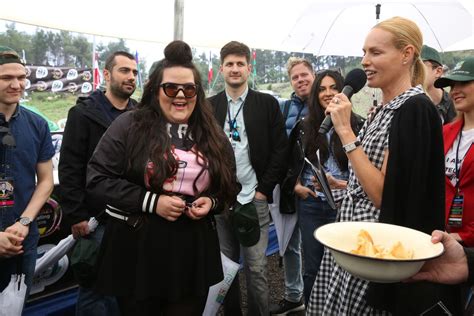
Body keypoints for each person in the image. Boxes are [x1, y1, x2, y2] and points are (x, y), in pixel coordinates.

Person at [307, 17, 462, 315]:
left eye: (376, 53)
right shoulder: (383, 109)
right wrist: (345, 186)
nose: (365, 61)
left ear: (406, 54)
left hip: (377, 253)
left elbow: (386, 195)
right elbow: (372, 178)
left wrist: (346, 133)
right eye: (364, 52)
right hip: (354, 241)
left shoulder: (414, 109)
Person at [86, 40, 240, 315]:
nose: (180, 95)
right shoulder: (130, 125)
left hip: (192, 250)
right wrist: (151, 202)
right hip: (138, 250)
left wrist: (211, 204)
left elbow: (230, 187)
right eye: (171, 87)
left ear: (198, 92)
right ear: (156, 90)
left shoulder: (212, 134)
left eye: (189, 88)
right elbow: (97, 178)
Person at [208, 41, 288, 316]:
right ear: (221, 69)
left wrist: (263, 190)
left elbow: (281, 149)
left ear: (248, 68)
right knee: (226, 268)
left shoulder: (266, 103)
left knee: (256, 268)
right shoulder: (210, 107)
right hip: (221, 202)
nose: (234, 69)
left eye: (240, 63)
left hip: (254, 200)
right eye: (229, 64)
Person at [59, 51, 138, 316]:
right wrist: (77, 214)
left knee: (127, 286)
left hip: (132, 217)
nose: (130, 77)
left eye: (135, 72)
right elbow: (70, 167)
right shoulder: (83, 114)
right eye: (124, 71)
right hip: (97, 219)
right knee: (95, 291)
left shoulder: (140, 115)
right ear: (106, 75)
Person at [282, 70, 365, 308]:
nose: (328, 93)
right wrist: (297, 186)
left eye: (333, 88)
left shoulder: (358, 124)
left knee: (344, 267)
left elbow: (365, 173)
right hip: (311, 204)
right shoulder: (303, 126)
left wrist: (340, 184)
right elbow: (291, 163)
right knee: (313, 267)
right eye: (322, 89)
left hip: (344, 205)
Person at [0, 46, 54, 302]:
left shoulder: (38, 125)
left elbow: (45, 181)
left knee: (14, 306)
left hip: (23, 240)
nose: (16, 84)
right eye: (6, 78)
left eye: (21, 78)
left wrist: (24, 222)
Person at [270, 57, 314, 315]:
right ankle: (293, 295)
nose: (300, 80)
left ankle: (316, 297)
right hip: (287, 185)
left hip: (313, 186)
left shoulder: (324, 106)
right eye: (295, 77)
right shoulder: (284, 109)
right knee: (288, 244)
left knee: (314, 245)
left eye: (304, 75)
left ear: (313, 74)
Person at [435, 56, 474, 246]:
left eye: (464, 83)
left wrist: (464, 236)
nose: (455, 91)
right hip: (443, 237)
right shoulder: (445, 132)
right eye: (452, 85)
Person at [421, 44, 457, 124]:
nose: (413, 72)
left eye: (420, 67)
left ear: (438, 71)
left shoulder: (457, 105)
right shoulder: (406, 104)